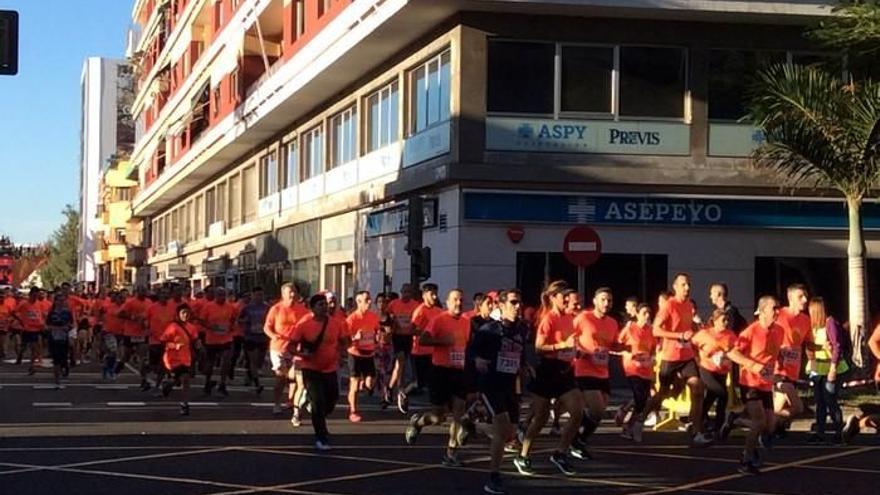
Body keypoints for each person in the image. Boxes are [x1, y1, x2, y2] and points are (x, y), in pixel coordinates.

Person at [515, 280, 583, 477]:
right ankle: (523, 454)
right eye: (563, 297)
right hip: (548, 370)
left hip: (565, 371)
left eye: (567, 297)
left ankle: (560, 453)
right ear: (553, 298)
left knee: (577, 412)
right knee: (541, 418)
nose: (567, 301)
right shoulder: (548, 319)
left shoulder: (570, 318)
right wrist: (561, 346)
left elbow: (570, 342)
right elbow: (538, 348)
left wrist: (574, 350)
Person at [472, 289, 530, 495]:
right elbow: (471, 351)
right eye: (513, 302)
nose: (517, 306)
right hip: (490, 383)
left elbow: (519, 355)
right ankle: (493, 477)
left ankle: (474, 426)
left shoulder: (522, 329)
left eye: (519, 303)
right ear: (501, 305)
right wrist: (477, 360)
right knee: (502, 426)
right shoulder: (489, 330)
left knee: (510, 434)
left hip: (509, 386)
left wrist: (525, 369)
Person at [405, 288, 471, 467]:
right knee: (438, 417)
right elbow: (423, 340)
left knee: (458, 411)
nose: (458, 303)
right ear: (448, 302)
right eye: (455, 300)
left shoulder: (466, 322)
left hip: (458, 371)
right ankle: (418, 422)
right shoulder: (439, 320)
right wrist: (442, 342)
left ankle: (451, 453)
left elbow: (467, 346)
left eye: (461, 300)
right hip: (440, 371)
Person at [645, 273, 710, 446]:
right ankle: (638, 420)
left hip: (686, 356)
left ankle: (696, 432)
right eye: (683, 285)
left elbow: (689, 329)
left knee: (697, 388)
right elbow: (656, 330)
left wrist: (696, 331)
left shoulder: (689, 305)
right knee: (664, 393)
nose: (687, 288)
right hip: (670, 356)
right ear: (675, 287)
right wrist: (679, 335)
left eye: (688, 284)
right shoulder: (668, 306)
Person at [727, 295, 784, 475]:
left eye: (778, 308)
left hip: (766, 384)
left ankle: (735, 420)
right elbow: (733, 354)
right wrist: (753, 365)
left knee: (769, 425)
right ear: (762, 311)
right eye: (774, 308)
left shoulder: (779, 331)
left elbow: (775, 354)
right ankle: (745, 460)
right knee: (759, 422)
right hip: (749, 383)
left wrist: (778, 370)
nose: (777, 312)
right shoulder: (750, 332)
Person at [289, 293, 349, 450]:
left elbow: (344, 341)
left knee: (332, 399)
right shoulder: (304, 324)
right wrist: (301, 355)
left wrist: (342, 353)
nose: (325, 307)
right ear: (312, 308)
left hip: (330, 367)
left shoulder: (336, 323)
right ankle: (321, 437)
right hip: (310, 368)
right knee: (318, 402)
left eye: (325, 304)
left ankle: (317, 410)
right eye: (320, 305)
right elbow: (290, 346)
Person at [571, 287, 620, 459]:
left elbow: (613, 344)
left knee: (598, 412)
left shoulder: (613, 323)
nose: (606, 304)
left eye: (610, 301)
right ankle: (576, 438)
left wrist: (621, 347)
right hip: (584, 369)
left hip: (602, 371)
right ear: (595, 301)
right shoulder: (584, 318)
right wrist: (578, 350)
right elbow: (570, 336)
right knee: (597, 409)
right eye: (603, 300)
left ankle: (577, 438)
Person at [805, 297, 848, 444]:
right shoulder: (811, 326)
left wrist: (833, 369)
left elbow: (837, 346)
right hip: (818, 368)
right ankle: (820, 432)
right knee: (820, 402)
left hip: (831, 367)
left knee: (830, 400)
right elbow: (810, 346)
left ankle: (839, 431)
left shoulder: (829, 323)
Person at [773, 284, 813, 437]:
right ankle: (769, 426)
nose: (804, 300)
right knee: (797, 407)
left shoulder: (805, 320)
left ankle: (743, 422)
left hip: (793, 369)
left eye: (805, 296)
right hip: (778, 368)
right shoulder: (779, 314)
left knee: (778, 407)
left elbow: (809, 343)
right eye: (800, 296)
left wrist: (823, 348)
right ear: (790, 298)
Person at [264, 282, 309, 416]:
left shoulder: (302, 309)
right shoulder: (276, 309)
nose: (293, 294)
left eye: (294, 291)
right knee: (281, 377)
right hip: (278, 348)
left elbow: (309, 323)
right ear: (283, 294)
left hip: (295, 348)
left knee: (295, 377)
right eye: (290, 292)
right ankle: (277, 403)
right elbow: (266, 327)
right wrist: (274, 336)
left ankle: (291, 401)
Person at [693, 309, 738, 439]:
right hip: (707, 369)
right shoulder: (705, 333)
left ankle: (699, 421)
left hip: (722, 371)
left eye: (727, 320)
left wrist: (726, 356)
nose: (726, 323)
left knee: (711, 398)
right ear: (714, 321)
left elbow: (737, 349)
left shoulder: (730, 335)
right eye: (723, 320)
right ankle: (719, 424)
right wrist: (697, 358)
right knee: (722, 394)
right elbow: (692, 344)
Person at [617, 303, 655, 442]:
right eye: (644, 313)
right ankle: (630, 424)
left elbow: (653, 348)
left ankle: (627, 418)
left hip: (646, 367)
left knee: (643, 400)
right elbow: (619, 343)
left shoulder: (651, 330)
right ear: (637, 314)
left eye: (649, 313)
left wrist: (651, 357)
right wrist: (629, 353)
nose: (647, 316)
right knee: (639, 396)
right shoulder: (630, 327)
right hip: (632, 366)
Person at [345, 291, 380, 422]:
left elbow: (377, 330)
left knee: (370, 383)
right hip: (355, 353)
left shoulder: (373, 316)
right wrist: (355, 337)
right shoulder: (352, 319)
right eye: (366, 300)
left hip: (369, 353)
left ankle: (363, 384)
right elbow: (345, 339)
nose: (369, 302)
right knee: (353, 384)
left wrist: (378, 337)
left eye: (370, 299)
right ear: (358, 302)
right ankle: (353, 411)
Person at [159, 304, 200, 415]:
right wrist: (174, 345)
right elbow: (163, 341)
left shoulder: (191, 327)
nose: (185, 315)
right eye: (183, 313)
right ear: (178, 314)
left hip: (186, 358)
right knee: (180, 379)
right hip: (172, 359)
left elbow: (195, 340)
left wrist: (198, 346)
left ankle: (184, 403)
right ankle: (170, 388)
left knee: (185, 380)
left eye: (187, 313)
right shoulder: (173, 327)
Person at [387, 284, 421, 414]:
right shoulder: (394, 304)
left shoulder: (415, 305)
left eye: (408, 292)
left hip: (409, 338)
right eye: (404, 291)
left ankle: (390, 387)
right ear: (400, 292)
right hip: (397, 337)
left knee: (399, 366)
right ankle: (400, 389)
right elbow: (385, 318)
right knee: (401, 361)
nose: (406, 294)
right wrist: (390, 324)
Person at [201, 287, 239, 397]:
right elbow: (202, 321)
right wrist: (210, 326)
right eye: (219, 295)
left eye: (223, 295)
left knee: (226, 361)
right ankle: (207, 382)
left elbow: (234, 319)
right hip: (212, 340)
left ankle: (222, 384)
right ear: (215, 296)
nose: (221, 297)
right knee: (210, 364)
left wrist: (232, 326)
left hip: (226, 339)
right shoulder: (208, 307)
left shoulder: (230, 307)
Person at [411, 283, 443, 397]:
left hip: (434, 351)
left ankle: (434, 403)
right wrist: (426, 333)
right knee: (421, 382)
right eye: (431, 294)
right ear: (424, 295)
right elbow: (412, 330)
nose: (434, 297)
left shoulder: (438, 311)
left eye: (435, 294)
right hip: (420, 351)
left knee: (433, 379)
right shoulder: (420, 311)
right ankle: (404, 392)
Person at [117, 288, 150, 389]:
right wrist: (132, 317)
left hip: (143, 333)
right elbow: (120, 314)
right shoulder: (130, 302)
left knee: (143, 357)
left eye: (144, 291)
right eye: (141, 291)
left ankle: (144, 379)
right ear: (137, 292)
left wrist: (147, 322)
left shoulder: (149, 303)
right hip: (130, 333)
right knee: (127, 355)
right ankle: (121, 363)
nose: (143, 293)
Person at [239, 286, 270, 395]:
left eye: (261, 295)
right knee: (253, 360)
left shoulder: (267, 307)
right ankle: (257, 384)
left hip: (263, 337)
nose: (259, 297)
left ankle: (249, 373)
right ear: (252, 295)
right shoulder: (247, 308)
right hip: (250, 337)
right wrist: (245, 321)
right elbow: (239, 320)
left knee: (259, 361)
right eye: (257, 295)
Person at [145, 289, 176, 394]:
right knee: (154, 365)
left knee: (164, 364)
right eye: (162, 294)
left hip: (168, 341)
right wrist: (147, 329)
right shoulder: (152, 308)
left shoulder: (172, 308)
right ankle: (147, 374)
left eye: (166, 294)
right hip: (155, 340)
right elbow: (145, 320)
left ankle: (159, 385)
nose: (164, 297)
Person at [12, 289, 45, 375]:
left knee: (34, 347)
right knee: (24, 346)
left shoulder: (39, 304)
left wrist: (42, 323)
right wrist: (21, 321)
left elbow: (41, 314)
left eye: (36, 296)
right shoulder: (24, 304)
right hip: (27, 329)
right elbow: (14, 312)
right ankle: (20, 356)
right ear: (30, 295)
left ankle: (31, 366)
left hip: (37, 329)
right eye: (34, 296)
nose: (35, 298)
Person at [45, 293, 74, 389]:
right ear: (55, 302)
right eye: (59, 300)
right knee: (56, 359)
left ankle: (64, 367)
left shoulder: (67, 312)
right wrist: (54, 328)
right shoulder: (52, 313)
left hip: (64, 338)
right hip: (53, 338)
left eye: (63, 300)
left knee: (63, 357)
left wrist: (68, 328)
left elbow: (72, 324)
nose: (61, 302)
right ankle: (57, 379)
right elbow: (46, 325)